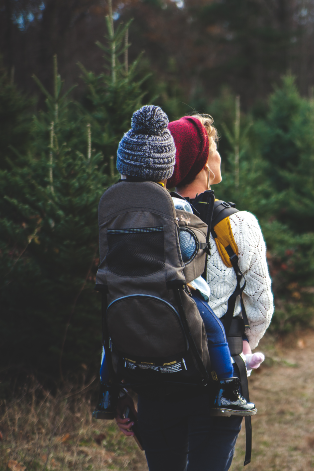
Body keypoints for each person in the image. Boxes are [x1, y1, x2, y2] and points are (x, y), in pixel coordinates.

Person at [115, 112, 274, 470]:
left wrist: (121, 384)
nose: (220, 154)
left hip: (156, 379)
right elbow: (260, 307)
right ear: (203, 162)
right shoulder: (237, 224)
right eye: (215, 147)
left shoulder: (143, 222)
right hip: (217, 386)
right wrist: (241, 350)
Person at [92, 105, 257, 421]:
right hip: (171, 290)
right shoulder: (174, 206)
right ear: (166, 169)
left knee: (110, 336)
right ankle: (228, 388)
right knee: (214, 330)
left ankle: (108, 392)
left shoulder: (113, 205)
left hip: (121, 290)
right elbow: (188, 249)